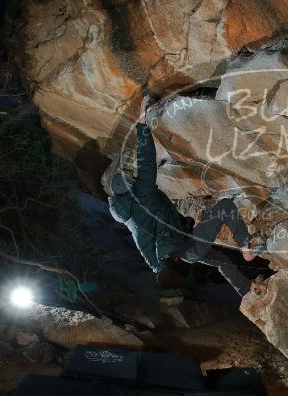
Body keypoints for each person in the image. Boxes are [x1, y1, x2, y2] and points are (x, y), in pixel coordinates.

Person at [108, 91, 265, 296]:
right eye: (131, 177)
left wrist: (160, 269)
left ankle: (248, 288)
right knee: (225, 207)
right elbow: (146, 161)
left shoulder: (130, 220)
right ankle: (246, 246)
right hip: (186, 248)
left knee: (220, 261)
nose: (134, 176)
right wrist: (142, 124)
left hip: (183, 252)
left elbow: (145, 249)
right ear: (128, 185)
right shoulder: (141, 192)